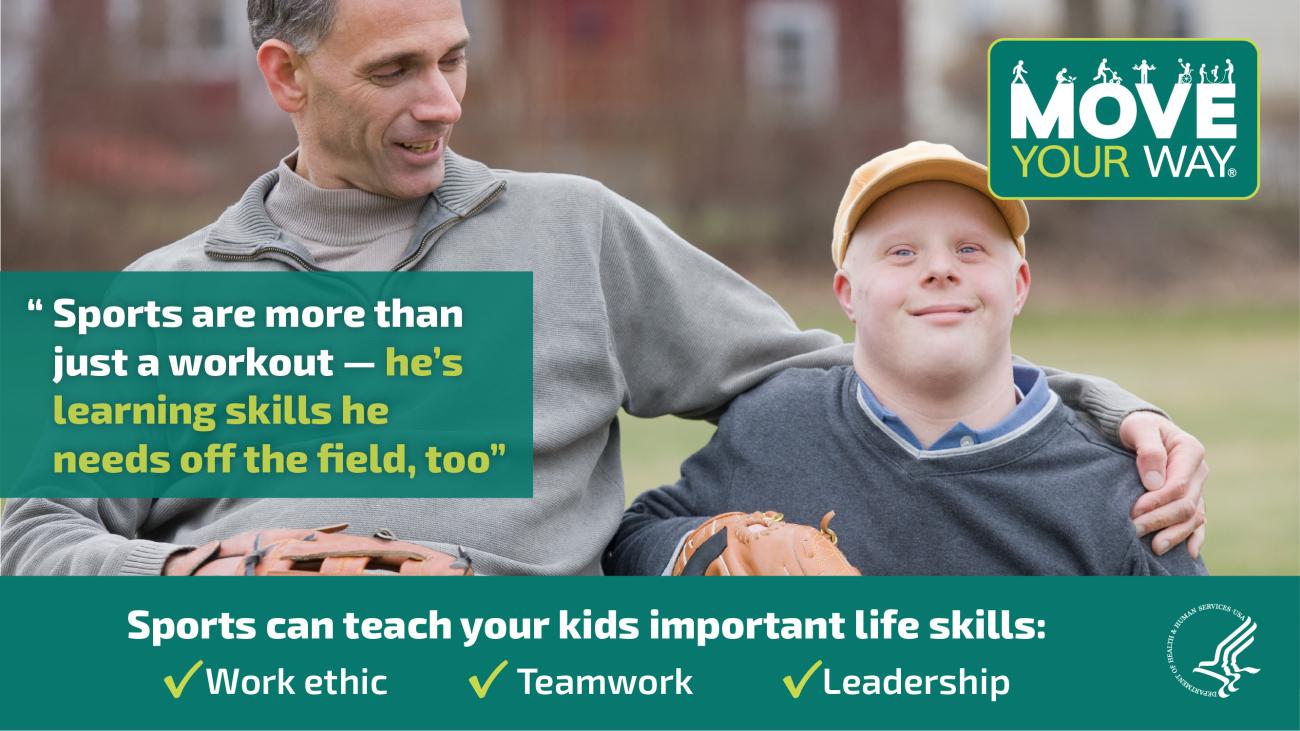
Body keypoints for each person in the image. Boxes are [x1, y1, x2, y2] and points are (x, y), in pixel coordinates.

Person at [1, 1, 1207, 576]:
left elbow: (836, 368)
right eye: (397, 72)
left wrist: (1104, 416)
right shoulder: (166, 299)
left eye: (456, 58)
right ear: (284, 75)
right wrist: (202, 576)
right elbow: (26, 533)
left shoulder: (568, 232)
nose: (444, 104)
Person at [604, 142, 1206, 576]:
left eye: (970, 249)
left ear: (1019, 284)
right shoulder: (772, 425)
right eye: (901, 252)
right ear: (847, 294)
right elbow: (632, 543)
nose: (940, 268)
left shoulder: (1120, 492)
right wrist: (708, 549)